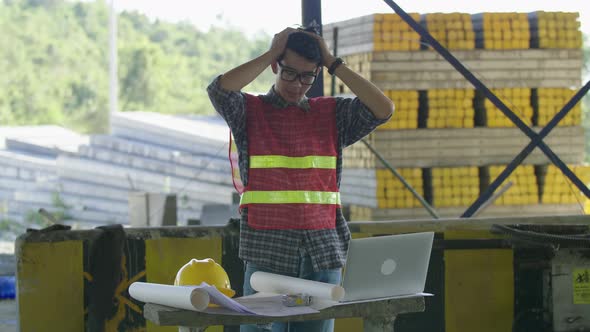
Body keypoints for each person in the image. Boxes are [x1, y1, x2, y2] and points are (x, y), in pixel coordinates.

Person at [207, 25, 394, 332]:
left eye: (308, 76)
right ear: (274, 67)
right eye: (289, 73)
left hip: (322, 252)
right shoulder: (249, 112)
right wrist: (271, 51)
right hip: (268, 251)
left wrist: (334, 62)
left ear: (318, 73)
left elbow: (383, 109)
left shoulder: (332, 115)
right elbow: (219, 90)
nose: (297, 84)